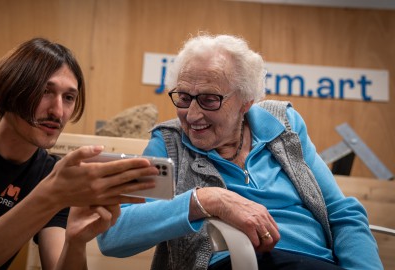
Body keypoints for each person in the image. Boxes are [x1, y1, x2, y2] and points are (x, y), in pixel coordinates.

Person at [97, 34, 383, 269]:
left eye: (209, 100)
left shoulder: (284, 126)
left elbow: (341, 213)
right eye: (184, 98)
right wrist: (204, 200)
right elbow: (114, 235)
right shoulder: (169, 144)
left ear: (246, 102)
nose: (192, 114)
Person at [0, 37, 159, 270]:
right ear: (11, 88)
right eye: (45, 91)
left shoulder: (50, 174)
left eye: (69, 97)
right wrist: (50, 196)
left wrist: (76, 241)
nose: (58, 111)